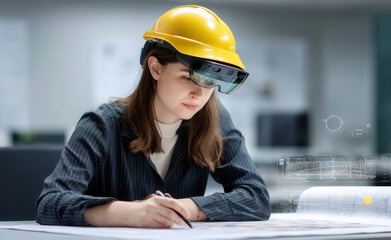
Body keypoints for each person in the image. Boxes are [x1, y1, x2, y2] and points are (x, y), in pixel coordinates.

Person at [36, 4, 271, 228]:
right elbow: (50, 203)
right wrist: (134, 214)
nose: (199, 94)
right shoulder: (102, 125)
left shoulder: (214, 119)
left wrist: (185, 208)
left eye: (210, 82)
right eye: (188, 78)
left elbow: (256, 197)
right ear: (156, 68)